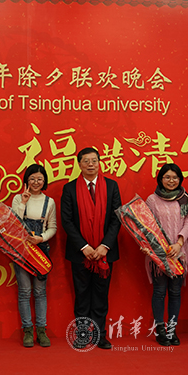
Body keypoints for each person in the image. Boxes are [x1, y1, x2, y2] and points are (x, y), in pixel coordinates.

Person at [60, 147, 121, 349]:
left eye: (94, 160)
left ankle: (100, 335)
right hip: (80, 254)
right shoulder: (69, 189)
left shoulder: (112, 186)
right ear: (79, 164)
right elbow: (67, 221)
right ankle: (83, 334)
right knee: (82, 295)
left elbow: (116, 218)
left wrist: (105, 246)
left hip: (105, 253)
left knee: (101, 296)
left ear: (99, 162)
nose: (90, 164)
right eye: (86, 161)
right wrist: (84, 246)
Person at [144, 163, 188, 346]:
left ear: (180, 179)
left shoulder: (184, 198)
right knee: (159, 291)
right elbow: (146, 226)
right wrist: (153, 247)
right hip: (158, 255)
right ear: (160, 179)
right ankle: (160, 330)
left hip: (179, 253)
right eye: (167, 177)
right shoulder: (152, 200)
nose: (171, 181)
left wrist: (179, 244)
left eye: (175, 177)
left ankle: (172, 330)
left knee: (175, 292)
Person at [11, 164, 56, 348]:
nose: (36, 182)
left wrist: (41, 238)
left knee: (39, 292)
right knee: (24, 291)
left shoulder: (49, 202)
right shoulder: (17, 198)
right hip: (21, 250)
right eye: (32, 179)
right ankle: (27, 331)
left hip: (40, 249)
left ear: (44, 181)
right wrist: (23, 202)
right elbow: (13, 223)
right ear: (26, 180)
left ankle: (42, 331)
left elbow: (52, 227)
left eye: (39, 179)